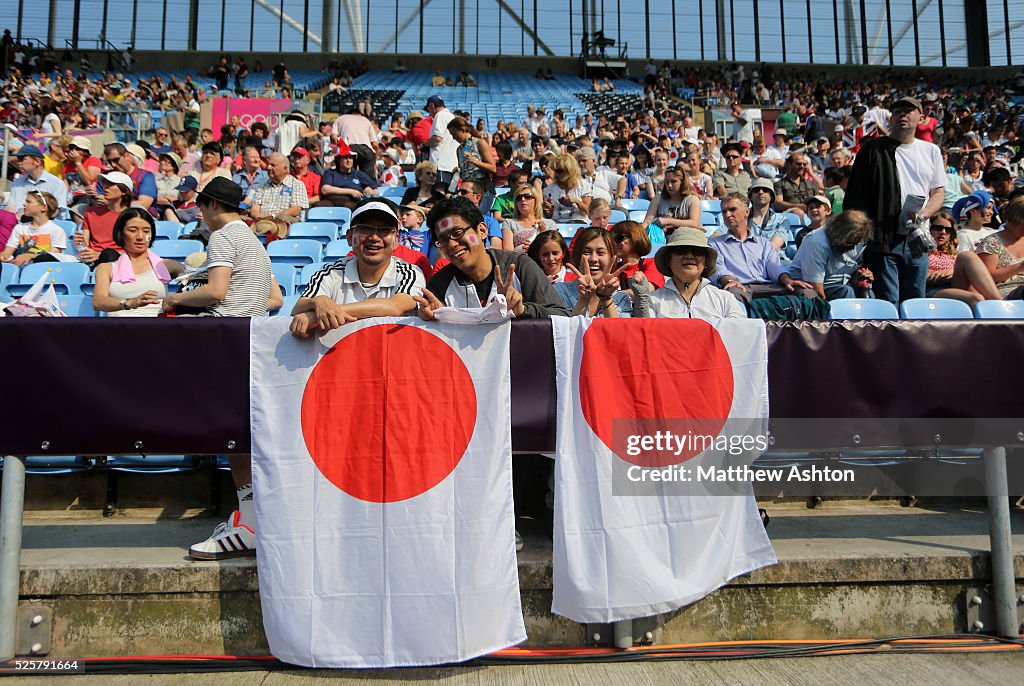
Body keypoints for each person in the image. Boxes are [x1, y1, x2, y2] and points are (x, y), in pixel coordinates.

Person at [845, 96, 945, 304]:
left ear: (922, 117)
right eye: (898, 111)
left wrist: (924, 213)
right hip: (882, 239)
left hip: (917, 237)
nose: (903, 115)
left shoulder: (931, 151)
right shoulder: (872, 150)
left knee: (916, 301)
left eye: (909, 111)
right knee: (888, 301)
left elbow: (938, 193)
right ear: (890, 118)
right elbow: (856, 197)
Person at [414, 196, 569, 318]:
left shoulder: (520, 267)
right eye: (443, 239)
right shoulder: (439, 284)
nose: (452, 244)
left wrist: (523, 310)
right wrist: (433, 320)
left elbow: (562, 315)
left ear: (482, 230)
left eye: (457, 233)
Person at [289, 197, 425, 337]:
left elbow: (396, 306)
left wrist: (325, 312)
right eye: (365, 229)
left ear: (396, 240)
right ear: (349, 237)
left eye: (384, 230)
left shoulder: (409, 272)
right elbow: (298, 308)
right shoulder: (330, 272)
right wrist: (317, 301)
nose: (374, 237)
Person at [163, 177, 280, 319]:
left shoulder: (222, 236)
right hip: (248, 327)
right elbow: (277, 298)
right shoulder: (257, 244)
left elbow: (216, 291)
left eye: (201, 207)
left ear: (213, 204)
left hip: (221, 323)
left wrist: (174, 299)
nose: (202, 216)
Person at [709, 193, 815, 302]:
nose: (727, 215)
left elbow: (775, 266)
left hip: (770, 286)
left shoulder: (763, 243)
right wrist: (730, 281)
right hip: (742, 288)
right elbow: (719, 270)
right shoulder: (715, 244)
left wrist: (787, 280)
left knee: (807, 292)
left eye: (732, 210)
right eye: (724, 211)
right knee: (734, 293)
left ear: (746, 212)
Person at [92, 208, 183, 316]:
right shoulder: (106, 268)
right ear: (121, 234)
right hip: (118, 327)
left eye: (146, 231)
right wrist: (129, 303)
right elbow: (98, 302)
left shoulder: (166, 265)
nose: (140, 237)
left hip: (157, 326)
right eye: (132, 230)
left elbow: (194, 282)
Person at [647, 228, 747, 319]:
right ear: (668, 260)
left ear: (706, 261)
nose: (689, 256)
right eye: (681, 250)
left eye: (697, 251)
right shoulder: (652, 301)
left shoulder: (725, 299)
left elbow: (738, 333)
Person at [787, 210, 874, 301]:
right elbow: (816, 290)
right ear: (840, 234)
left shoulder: (859, 240)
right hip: (810, 288)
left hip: (842, 285)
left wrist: (859, 276)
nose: (853, 247)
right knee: (845, 292)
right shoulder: (816, 242)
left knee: (868, 294)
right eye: (850, 243)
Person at [926, 210, 1003, 304]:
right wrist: (936, 275)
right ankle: (1000, 304)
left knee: (968, 255)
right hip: (933, 289)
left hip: (954, 284)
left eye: (948, 230)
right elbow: (914, 276)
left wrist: (952, 271)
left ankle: (999, 301)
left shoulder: (954, 253)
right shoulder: (920, 251)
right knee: (976, 298)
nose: (943, 232)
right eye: (938, 228)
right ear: (929, 228)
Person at [553, 227, 631, 317]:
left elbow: (617, 331)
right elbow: (566, 330)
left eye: (601, 253)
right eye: (586, 252)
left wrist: (606, 299)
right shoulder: (559, 292)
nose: (593, 259)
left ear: (612, 258)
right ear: (576, 256)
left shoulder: (621, 299)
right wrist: (583, 299)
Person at [76, 171, 135, 266]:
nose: (105, 187)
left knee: (108, 254)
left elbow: (134, 251)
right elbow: (85, 244)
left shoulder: (133, 216)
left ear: (124, 191)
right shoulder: (91, 213)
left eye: (111, 184)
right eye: (104, 183)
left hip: (118, 260)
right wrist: (79, 244)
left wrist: (99, 255)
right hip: (92, 260)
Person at [248, 152, 309, 238]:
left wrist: (273, 217)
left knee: (284, 217)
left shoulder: (296, 184)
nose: (268, 167)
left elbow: (296, 210)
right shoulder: (262, 185)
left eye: (273, 165)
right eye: (268, 164)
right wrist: (264, 218)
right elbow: (254, 209)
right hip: (262, 222)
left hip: (284, 222)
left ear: (285, 169)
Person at [975, 195, 1024, 299]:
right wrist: (1020, 267)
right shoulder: (991, 243)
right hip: (1004, 293)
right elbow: (986, 278)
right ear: (1011, 220)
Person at [0, 191, 65, 266]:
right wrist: (3, 256)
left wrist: (30, 256)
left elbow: (52, 256)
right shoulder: (19, 228)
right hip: (23, 265)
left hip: (45, 269)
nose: (24, 204)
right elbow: (7, 252)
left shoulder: (56, 231)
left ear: (43, 207)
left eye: (28, 202)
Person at [3, 145, 69, 215]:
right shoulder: (17, 183)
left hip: (45, 224)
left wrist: (25, 216)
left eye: (22, 159)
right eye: (18, 159)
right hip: (18, 223)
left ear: (37, 162)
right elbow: (11, 207)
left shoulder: (57, 184)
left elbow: (54, 213)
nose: (19, 162)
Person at [641, 166, 701, 235]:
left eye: (673, 181)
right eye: (667, 182)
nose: (669, 185)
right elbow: (647, 222)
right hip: (664, 239)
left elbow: (694, 223)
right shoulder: (658, 198)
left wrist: (668, 221)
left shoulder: (692, 200)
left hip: (687, 237)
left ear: (682, 182)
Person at [319, 142, 376, 209]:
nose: (348, 160)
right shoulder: (330, 173)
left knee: (349, 206)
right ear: (339, 160)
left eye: (350, 158)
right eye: (346, 158)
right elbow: (325, 189)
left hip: (351, 202)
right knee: (319, 206)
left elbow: (376, 189)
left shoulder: (359, 174)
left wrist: (370, 190)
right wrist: (351, 191)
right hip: (331, 201)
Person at [500, 183, 556, 252]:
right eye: (519, 198)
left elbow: (555, 249)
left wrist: (542, 234)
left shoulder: (550, 224)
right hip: (519, 260)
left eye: (527, 196)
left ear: (536, 200)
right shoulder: (509, 223)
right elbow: (508, 251)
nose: (523, 199)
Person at [612, 220, 664, 289]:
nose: (614, 244)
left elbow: (646, 290)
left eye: (618, 239)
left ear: (635, 238)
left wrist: (612, 295)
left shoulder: (652, 263)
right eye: (611, 240)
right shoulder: (613, 268)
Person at [542, 153, 591, 224]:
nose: (558, 174)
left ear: (569, 170)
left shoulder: (583, 185)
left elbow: (588, 211)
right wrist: (548, 210)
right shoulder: (550, 189)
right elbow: (549, 215)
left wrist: (576, 201)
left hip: (579, 223)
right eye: (556, 171)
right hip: (557, 224)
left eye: (561, 171)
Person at [745, 178, 790, 250]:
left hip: (773, 259)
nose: (761, 192)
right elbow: (720, 233)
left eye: (765, 190)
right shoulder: (740, 217)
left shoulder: (782, 220)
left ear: (771, 196)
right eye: (756, 190)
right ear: (750, 196)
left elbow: (774, 246)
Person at [425, 96, 458, 187]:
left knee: (439, 193)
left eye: (428, 109)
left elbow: (437, 138)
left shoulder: (440, 115)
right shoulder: (451, 116)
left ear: (432, 105)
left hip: (441, 164)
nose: (429, 113)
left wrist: (425, 144)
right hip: (451, 164)